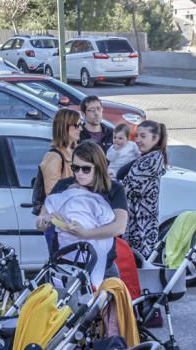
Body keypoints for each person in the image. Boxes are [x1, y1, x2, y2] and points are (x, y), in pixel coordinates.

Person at [36, 141, 128, 279]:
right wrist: (45, 221)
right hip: (64, 266)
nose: (79, 173)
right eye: (75, 168)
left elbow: (120, 227)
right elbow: (40, 222)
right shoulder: (64, 185)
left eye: (86, 169)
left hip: (103, 267)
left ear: (98, 167)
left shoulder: (113, 189)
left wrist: (86, 233)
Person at [120, 120, 168, 258]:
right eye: (137, 136)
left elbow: (127, 189)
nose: (138, 140)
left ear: (156, 138)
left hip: (140, 228)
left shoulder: (151, 161)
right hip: (137, 224)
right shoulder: (146, 157)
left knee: (135, 267)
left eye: (143, 136)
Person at [38, 109, 81, 200]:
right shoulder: (54, 157)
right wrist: (72, 188)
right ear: (65, 127)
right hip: (64, 211)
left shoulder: (76, 151)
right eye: (77, 125)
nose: (81, 129)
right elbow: (52, 193)